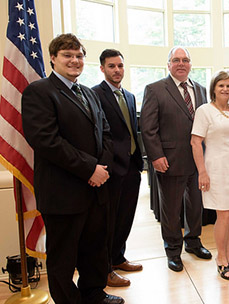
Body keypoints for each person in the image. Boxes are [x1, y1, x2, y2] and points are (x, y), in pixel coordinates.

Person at [21, 34, 123, 304]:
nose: (74, 61)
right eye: (67, 55)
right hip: (63, 192)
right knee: (64, 257)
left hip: (96, 190)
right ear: (53, 58)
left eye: (79, 56)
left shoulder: (88, 92)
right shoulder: (39, 91)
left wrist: (102, 169)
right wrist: (90, 169)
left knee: (94, 250)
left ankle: (93, 294)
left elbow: (106, 134)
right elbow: (46, 141)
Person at [140, 46, 211, 272]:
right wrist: (156, 156)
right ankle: (173, 250)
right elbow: (148, 128)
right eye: (176, 60)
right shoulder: (155, 89)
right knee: (170, 210)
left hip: (198, 160)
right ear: (168, 64)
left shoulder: (200, 90)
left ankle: (193, 242)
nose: (181, 63)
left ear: (191, 64)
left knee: (195, 206)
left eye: (185, 60)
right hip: (169, 160)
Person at [92, 49, 143, 287]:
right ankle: (105, 269)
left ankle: (118, 257)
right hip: (111, 170)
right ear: (102, 68)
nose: (117, 70)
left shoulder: (130, 96)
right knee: (108, 221)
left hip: (133, 167)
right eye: (112, 66)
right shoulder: (94, 95)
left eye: (120, 66)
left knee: (125, 217)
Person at [191, 70, 229, 280]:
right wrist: (202, 172)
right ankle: (220, 258)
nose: (225, 89)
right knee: (222, 215)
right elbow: (195, 142)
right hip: (215, 168)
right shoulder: (204, 111)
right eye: (221, 85)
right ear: (213, 88)